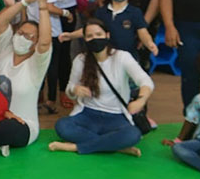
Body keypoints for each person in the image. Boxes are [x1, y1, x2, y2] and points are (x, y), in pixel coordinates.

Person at [49, 18, 153, 156]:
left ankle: (76, 147)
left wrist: (141, 100)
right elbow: (69, 89)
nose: (95, 39)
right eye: (90, 36)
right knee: (62, 126)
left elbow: (145, 81)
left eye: (99, 34)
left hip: (116, 116)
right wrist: (75, 89)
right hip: (87, 114)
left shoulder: (122, 57)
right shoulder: (81, 60)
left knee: (133, 134)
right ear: (85, 39)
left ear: (107, 35)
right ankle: (114, 145)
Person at [0, 0, 53, 149]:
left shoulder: (36, 66)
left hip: (23, 126)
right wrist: (25, 1)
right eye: (20, 33)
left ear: (35, 44)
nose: (21, 38)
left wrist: (42, 5)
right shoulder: (5, 51)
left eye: (28, 36)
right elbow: (0, 23)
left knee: (5, 128)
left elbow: (46, 42)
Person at [13, 0, 65, 113]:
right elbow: (49, 7)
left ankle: (37, 96)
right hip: (51, 29)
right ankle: (50, 100)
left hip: (32, 30)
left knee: (35, 64)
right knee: (52, 65)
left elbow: (20, 1)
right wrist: (66, 13)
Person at [62, 0, 158, 61]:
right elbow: (88, 30)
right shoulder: (101, 12)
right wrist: (71, 35)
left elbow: (142, 32)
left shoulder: (135, 12)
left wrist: (150, 44)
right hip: (106, 58)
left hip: (128, 58)